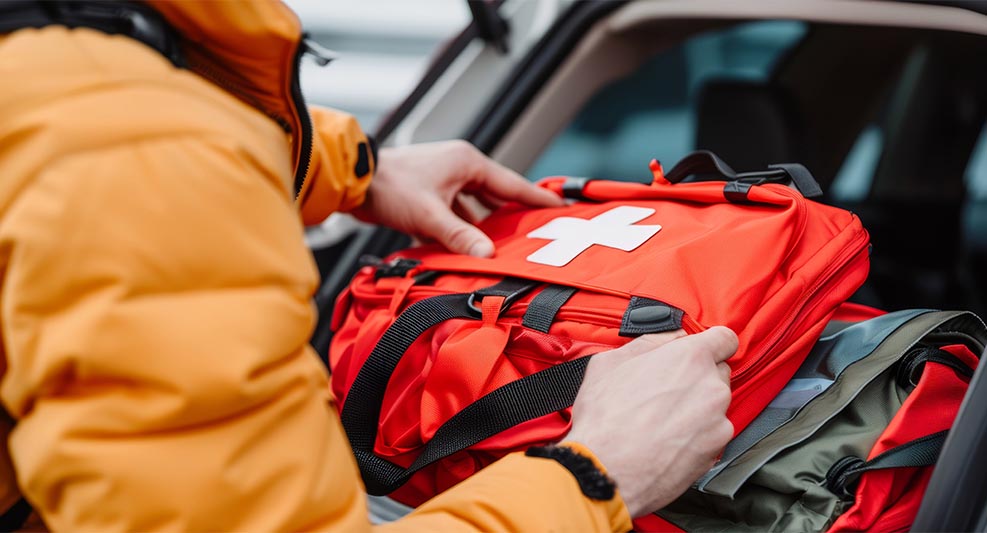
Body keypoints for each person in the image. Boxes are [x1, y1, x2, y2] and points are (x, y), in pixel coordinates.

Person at [0, 1, 736, 531]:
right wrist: (595, 475)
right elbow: (119, 152)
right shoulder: (134, 144)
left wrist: (354, 167)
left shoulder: (62, 76)